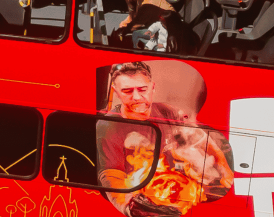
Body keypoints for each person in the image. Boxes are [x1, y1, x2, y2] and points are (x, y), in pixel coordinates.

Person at [96, 62, 235, 216]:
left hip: (177, 196)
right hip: (145, 201)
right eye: (127, 91)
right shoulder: (108, 126)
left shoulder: (168, 112)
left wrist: (224, 169)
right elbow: (111, 174)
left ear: (152, 88)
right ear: (116, 92)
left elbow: (202, 139)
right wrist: (130, 207)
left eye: (142, 89)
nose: (136, 97)